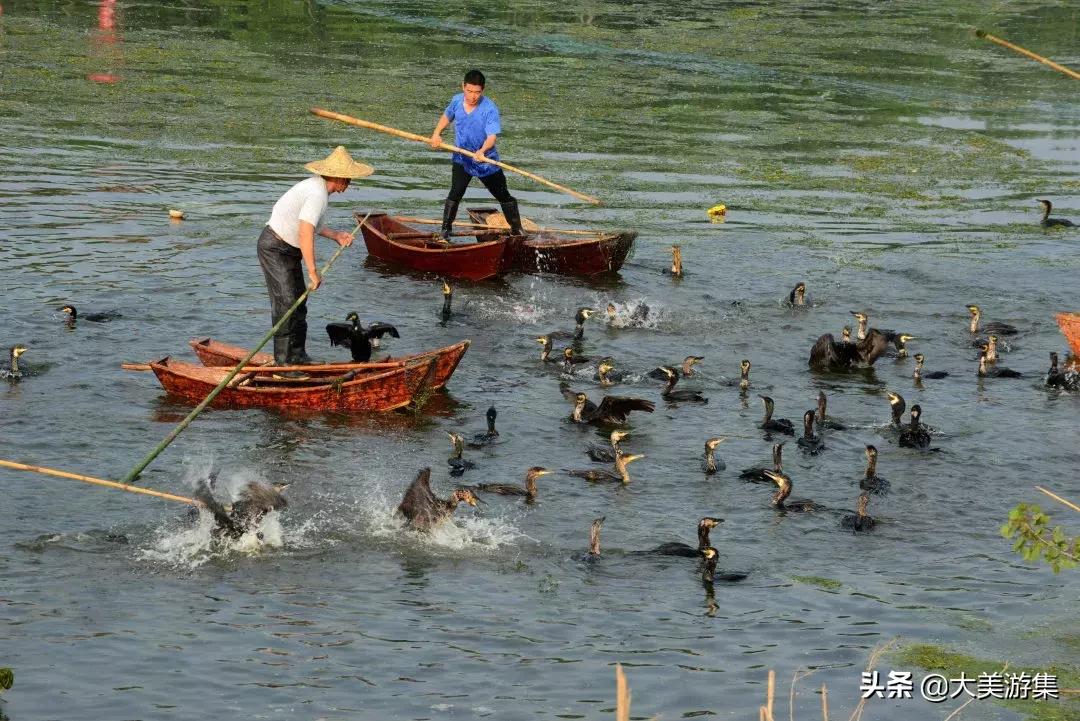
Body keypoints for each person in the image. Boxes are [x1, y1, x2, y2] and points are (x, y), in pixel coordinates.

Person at [258, 146, 373, 375]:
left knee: (299, 303)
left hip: (288, 250)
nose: (348, 184)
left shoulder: (319, 191)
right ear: (338, 178)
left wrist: (336, 235)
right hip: (274, 247)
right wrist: (313, 271)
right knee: (287, 304)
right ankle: (284, 364)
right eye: (347, 179)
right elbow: (305, 232)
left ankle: (298, 354)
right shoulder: (317, 193)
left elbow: (314, 225)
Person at [429, 69, 523, 239]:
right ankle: (445, 231)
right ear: (463, 87)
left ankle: (517, 230)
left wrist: (482, 151)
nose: (472, 96)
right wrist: (437, 133)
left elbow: (491, 137)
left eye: (477, 92)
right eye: (469, 91)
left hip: (485, 160)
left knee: (503, 194)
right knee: (455, 193)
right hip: (462, 158)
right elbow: (447, 116)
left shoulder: (489, 109)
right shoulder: (457, 101)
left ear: (483, 90)